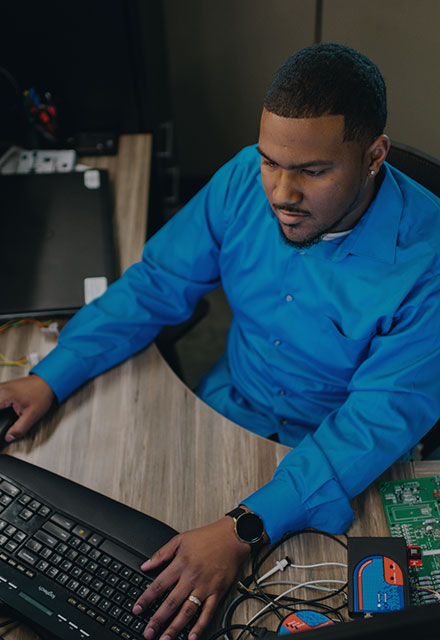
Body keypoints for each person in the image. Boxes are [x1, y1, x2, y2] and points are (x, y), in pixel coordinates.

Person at [1, 42, 440, 640]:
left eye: (312, 171)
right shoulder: (241, 179)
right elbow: (157, 285)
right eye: (271, 162)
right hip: (227, 405)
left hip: (335, 461)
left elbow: (372, 424)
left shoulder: (429, 264)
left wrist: (243, 527)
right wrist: (49, 376)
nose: (281, 193)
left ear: (373, 157)